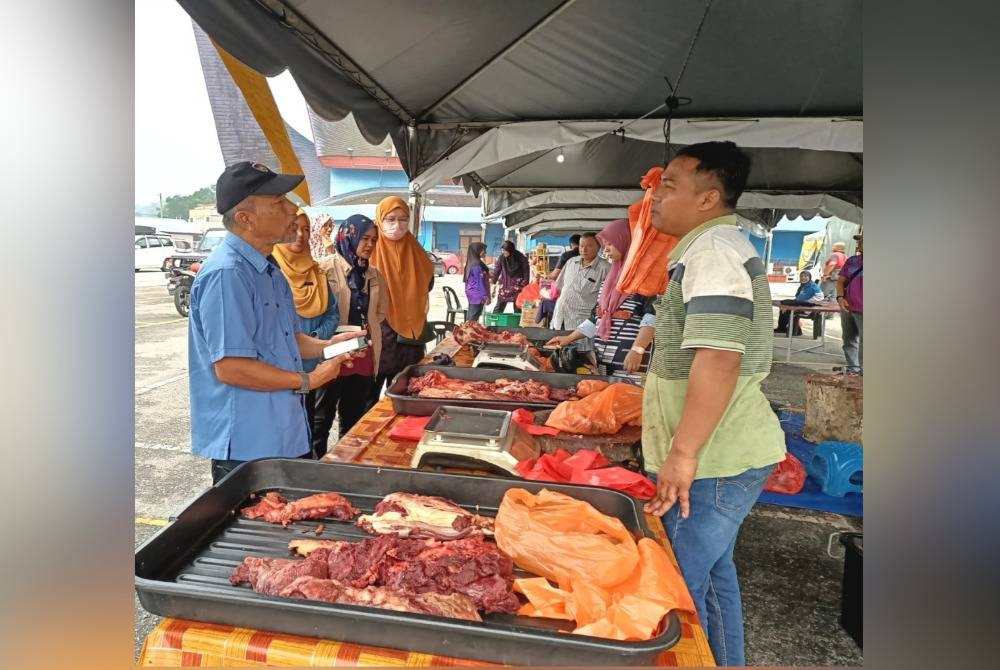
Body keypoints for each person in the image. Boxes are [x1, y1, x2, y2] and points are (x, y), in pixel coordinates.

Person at [641, 142, 786, 666]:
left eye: (670, 185)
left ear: (708, 198)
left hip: (714, 461)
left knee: (673, 590)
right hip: (720, 456)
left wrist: (683, 454)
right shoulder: (709, 247)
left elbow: (720, 358)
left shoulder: (714, 251)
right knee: (714, 577)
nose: (655, 195)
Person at [188, 161, 364, 484]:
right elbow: (231, 367)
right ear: (245, 218)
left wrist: (326, 348)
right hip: (248, 446)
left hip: (284, 432)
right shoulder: (228, 274)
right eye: (279, 203)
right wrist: (309, 380)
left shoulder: (269, 269)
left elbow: (287, 339)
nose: (291, 209)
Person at [313, 214, 389, 448]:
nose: (369, 245)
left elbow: (381, 312)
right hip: (332, 352)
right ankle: (317, 472)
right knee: (321, 419)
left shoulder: (374, 275)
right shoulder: (324, 269)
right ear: (350, 236)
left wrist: (363, 330)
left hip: (362, 353)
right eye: (364, 238)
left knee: (354, 419)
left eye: (374, 240)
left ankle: (344, 471)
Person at [544, 219, 655, 375]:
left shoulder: (645, 280)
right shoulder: (611, 279)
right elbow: (596, 318)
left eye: (610, 244)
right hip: (602, 360)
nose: (606, 249)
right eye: (606, 244)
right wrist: (568, 338)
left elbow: (652, 317)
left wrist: (638, 350)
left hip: (629, 362)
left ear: (626, 243)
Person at [272, 209, 342, 458]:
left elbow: (333, 312)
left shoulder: (317, 272)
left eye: (306, 229)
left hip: (311, 363)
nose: (300, 235)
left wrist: (317, 337)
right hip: (279, 372)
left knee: (307, 424)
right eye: (293, 227)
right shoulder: (270, 271)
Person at [368, 196, 436, 404]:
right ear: (379, 220)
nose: (397, 224)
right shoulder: (370, 249)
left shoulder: (416, 251)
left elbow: (428, 283)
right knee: (367, 399)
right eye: (390, 219)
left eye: (403, 219)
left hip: (410, 338)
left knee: (406, 395)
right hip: (380, 333)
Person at [550, 232, 610, 330]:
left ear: (599, 247)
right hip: (560, 318)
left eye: (589, 246)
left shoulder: (605, 268)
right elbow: (559, 287)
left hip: (581, 323)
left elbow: (606, 299)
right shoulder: (571, 262)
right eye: (581, 246)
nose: (584, 249)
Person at [836, 233, 863, 375]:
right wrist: (840, 297)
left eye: (863, 241)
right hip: (848, 307)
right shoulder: (852, 261)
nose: (859, 243)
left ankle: (864, 373)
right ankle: (853, 369)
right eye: (859, 241)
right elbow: (841, 280)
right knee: (849, 340)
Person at [773, 270, 825, 335]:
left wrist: (804, 303)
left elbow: (816, 297)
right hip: (802, 304)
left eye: (806, 276)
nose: (803, 278)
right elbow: (798, 298)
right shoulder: (803, 286)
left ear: (810, 277)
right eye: (802, 276)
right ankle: (782, 329)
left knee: (786, 307)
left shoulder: (812, 286)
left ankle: (796, 331)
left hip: (809, 308)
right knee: (783, 307)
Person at [490, 240, 530, 313]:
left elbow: (526, 272)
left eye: (506, 250)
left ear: (511, 250)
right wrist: (493, 282)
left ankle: (517, 323)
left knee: (518, 307)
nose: (504, 252)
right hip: (505, 286)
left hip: (518, 287)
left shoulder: (521, 258)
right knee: (499, 307)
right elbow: (497, 270)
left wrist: (525, 286)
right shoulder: (502, 258)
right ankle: (494, 322)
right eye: (503, 250)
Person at [463, 242, 491, 322]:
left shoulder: (471, 262)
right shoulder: (477, 264)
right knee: (472, 319)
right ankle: (467, 333)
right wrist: (485, 296)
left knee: (471, 317)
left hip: (472, 293)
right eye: (484, 250)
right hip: (477, 294)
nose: (485, 252)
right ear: (477, 250)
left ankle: (466, 332)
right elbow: (480, 282)